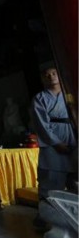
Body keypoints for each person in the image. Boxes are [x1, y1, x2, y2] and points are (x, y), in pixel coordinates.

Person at [31, 67, 77, 201]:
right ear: (43, 79)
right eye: (47, 75)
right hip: (52, 143)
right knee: (51, 179)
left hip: (73, 137)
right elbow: (41, 124)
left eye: (54, 73)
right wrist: (56, 142)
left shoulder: (71, 94)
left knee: (75, 179)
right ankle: (46, 215)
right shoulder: (40, 98)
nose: (51, 77)